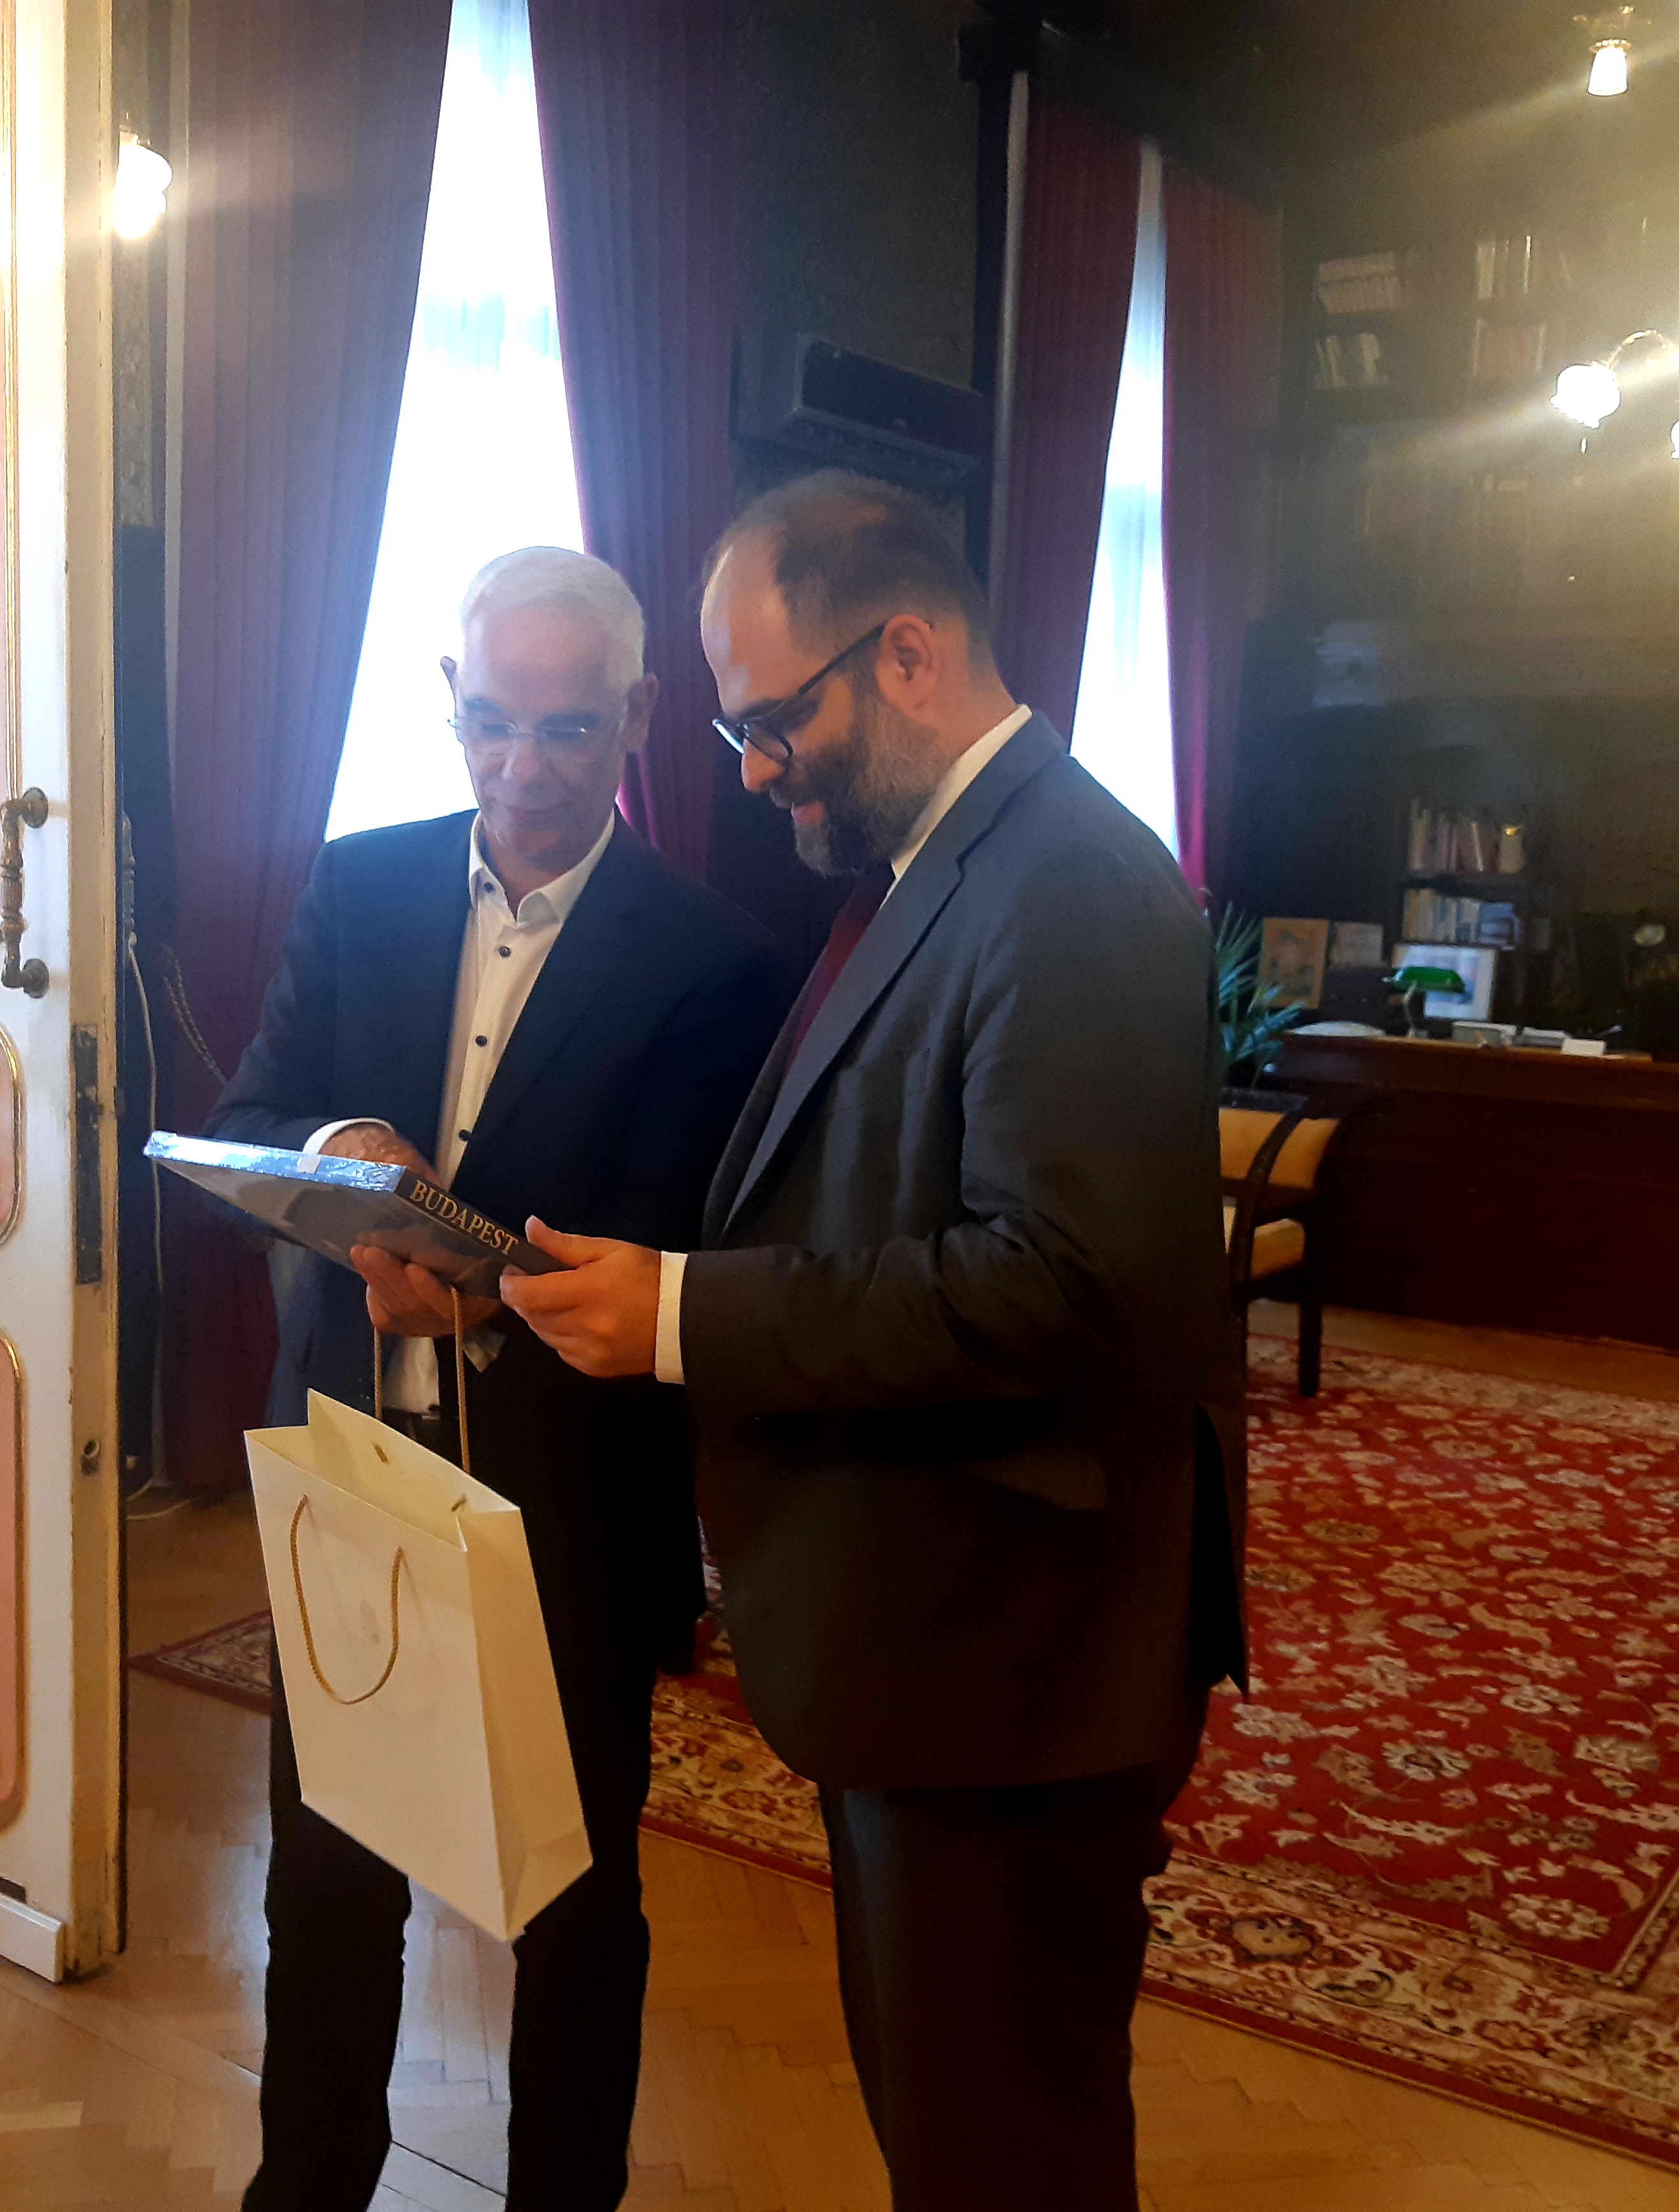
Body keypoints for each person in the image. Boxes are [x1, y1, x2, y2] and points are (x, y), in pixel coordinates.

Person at [500, 471, 1249, 2212]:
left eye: (776, 723)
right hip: (949, 1643)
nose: (758, 772)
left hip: (1017, 1670)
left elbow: (1060, 1285)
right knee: (955, 2131)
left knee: (1004, 2157)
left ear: (905, 653)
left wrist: (684, 1315)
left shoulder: (1069, 886)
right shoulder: (958, 863)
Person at [209, 546, 796, 2212]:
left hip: (569, 1504)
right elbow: (254, 1112)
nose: (523, 769)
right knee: (327, 1877)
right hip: (354, 1471)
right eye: (490, 723)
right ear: (448, 704)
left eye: (566, 730)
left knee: (572, 1903)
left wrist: (482, 1285)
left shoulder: (716, 959)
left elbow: (691, 1241)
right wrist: (339, 1149)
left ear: (639, 717)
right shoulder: (359, 886)